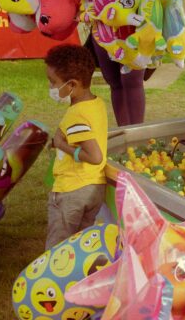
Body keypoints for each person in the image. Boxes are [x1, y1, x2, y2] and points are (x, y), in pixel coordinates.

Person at [44, 44, 108, 249]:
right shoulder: (96, 103)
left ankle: (53, 281)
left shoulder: (76, 114)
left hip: (73, 190)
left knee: (58, 248)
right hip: (93, 187)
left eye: (53, 83)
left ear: (71, 85)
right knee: (80, 248)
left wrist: (62, 145)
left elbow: (94, 155)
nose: (51, 87)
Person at [91, 36, 146, 126]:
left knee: (132, 82)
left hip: (132, 29)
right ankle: (123, 131)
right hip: (101, 29)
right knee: (114, 81)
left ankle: (137, 134)